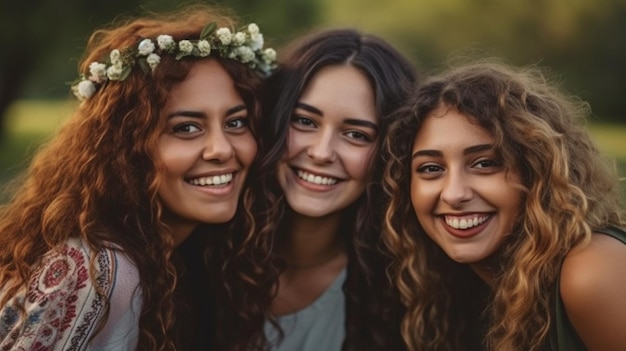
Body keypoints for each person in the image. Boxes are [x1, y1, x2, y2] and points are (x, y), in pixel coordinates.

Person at [0, 4, 276, 350]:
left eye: (236, 122)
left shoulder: (193, 256)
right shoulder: (101, 273)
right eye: (187, 128)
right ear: (125, 148)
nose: (221, 149)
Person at [382, 59, 626, 351]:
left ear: (537, 170)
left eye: (485, 163)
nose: (454, 194)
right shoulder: (451, 288)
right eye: (431, 168)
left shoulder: (590, 270)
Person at [214, 28, 419, 351]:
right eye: (305, 121)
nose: (322, 153)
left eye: (356, 134)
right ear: (275, 118)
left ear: (391, 151)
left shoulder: (405, 288)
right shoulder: (204, 254)